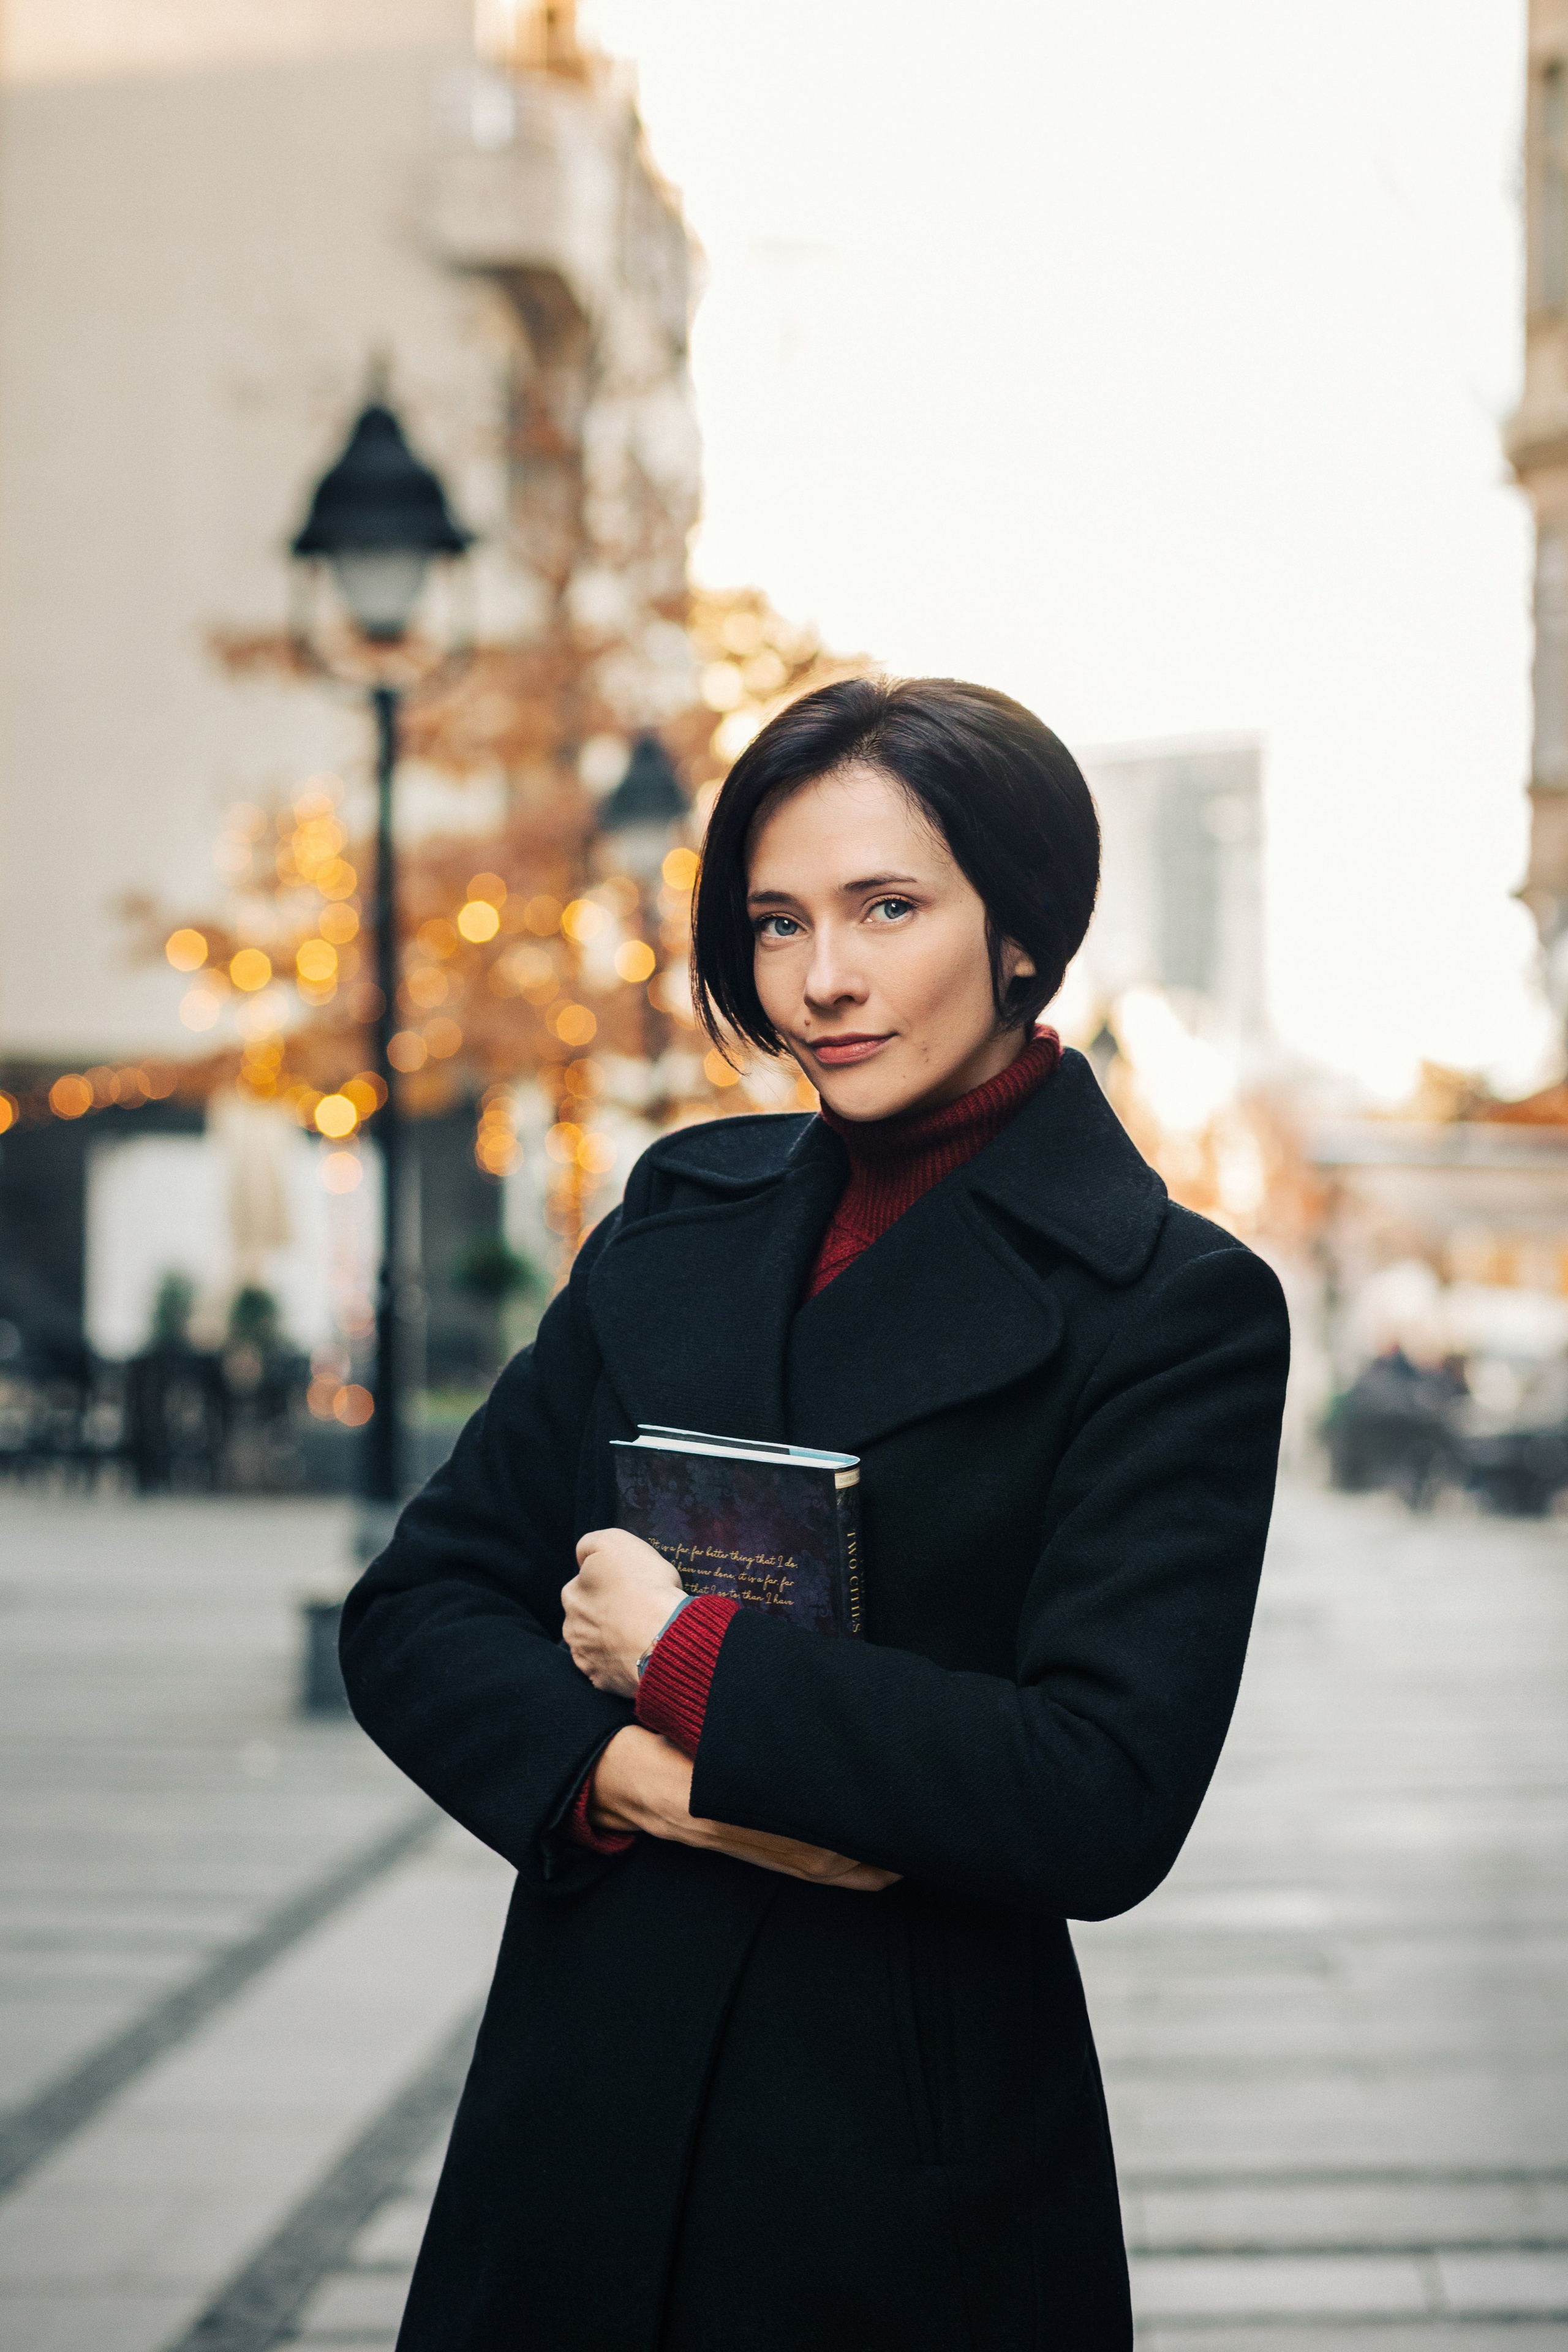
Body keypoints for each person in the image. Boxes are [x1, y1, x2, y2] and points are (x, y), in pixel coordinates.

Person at [341, 676, 1291, 2352]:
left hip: (900, 2168)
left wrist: (689, 1658)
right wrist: (640, 1782)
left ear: (1021, 929)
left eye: (887, 908)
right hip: (574, 2116)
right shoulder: (678, 1225)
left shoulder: (1171, 1308)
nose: (822, 978)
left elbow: (1103, 1792)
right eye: (776, 922)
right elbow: (417, 1611)